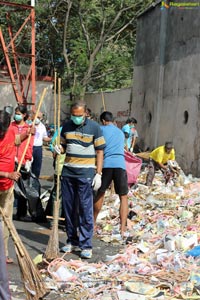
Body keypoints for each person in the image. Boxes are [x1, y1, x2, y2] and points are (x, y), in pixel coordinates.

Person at [55, 101, 105, 259]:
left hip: (86, 174)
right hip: (68, 172)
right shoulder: (67, 126)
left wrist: (98, 173)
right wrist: (59, 149)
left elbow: (100, 152)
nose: (76, 118)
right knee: (69, 209)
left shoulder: (94, 128)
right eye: (73, 115)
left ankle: (86, 244)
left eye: (79, 115)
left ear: (85, 114)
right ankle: (71, 240)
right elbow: (63, 146)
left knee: (85, 209)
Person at [93, 111, 129, 237]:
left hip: (106, 164)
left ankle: (92, 223)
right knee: (123, 197)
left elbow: (97, 148)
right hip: (120, 165)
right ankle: (123, 228)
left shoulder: (100, 129)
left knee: (101, 192)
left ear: (103, 120)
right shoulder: (120, 132)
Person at [0, 106, 22, 264]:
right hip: (6, 178)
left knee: (7, 221)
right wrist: (7, 174)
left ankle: (4, 253)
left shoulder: (11, 131)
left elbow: (16, 140)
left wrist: (28, 134)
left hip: (7, 187)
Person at [31, 111, 51, 178]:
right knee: (27, 166)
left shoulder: (42, 126)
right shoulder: (29, 125)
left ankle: (35, 181)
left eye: (39, 117)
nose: (37, 119)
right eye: (36, 117)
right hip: (29, 147)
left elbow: (44, 138)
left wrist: (52, 139)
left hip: (38, 149)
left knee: (37, 167)